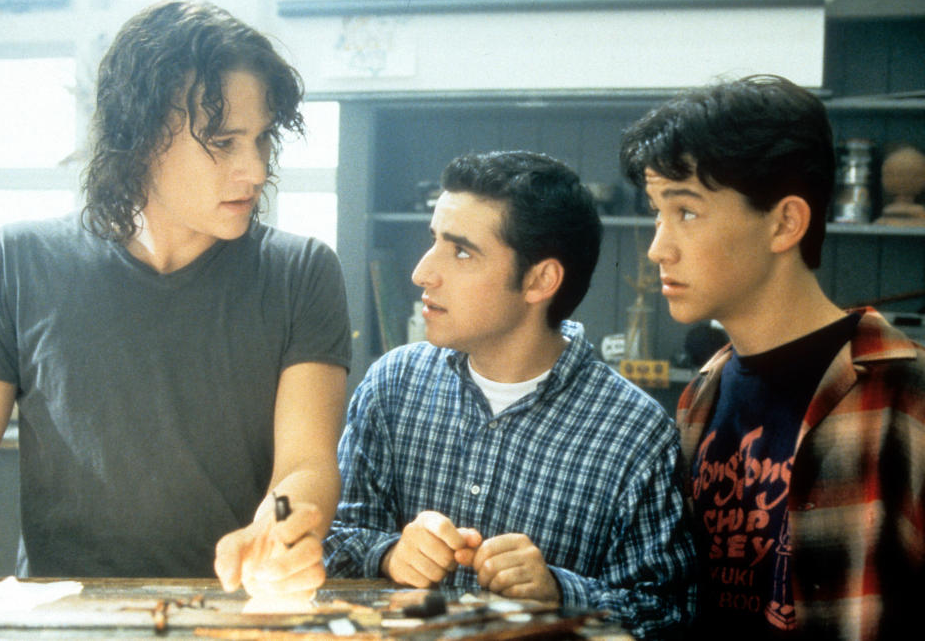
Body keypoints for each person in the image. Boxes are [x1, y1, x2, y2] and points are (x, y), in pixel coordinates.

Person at [0, 1, 351, 600]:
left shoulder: (300, 272)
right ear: (139, 138)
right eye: (223, 143)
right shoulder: (20, 260)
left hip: (233, 611)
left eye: (263, 139)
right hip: (65, 615)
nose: (255, 170)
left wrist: (281, 528)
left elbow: (304, 465)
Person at [324, 150, 696, 638]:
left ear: (540, 280)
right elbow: (331, 548)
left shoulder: (635, 432)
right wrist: (390, 553)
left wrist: (560, 593)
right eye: (433, 240)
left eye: (461, 252)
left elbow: (670, 616)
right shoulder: (392, 384)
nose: (422, 273)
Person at [619, 74, 925, 639]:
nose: (658, 246)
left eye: (685, 212)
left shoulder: (906, 394)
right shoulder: (700, 398)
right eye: (658, 213)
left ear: (785, 222)